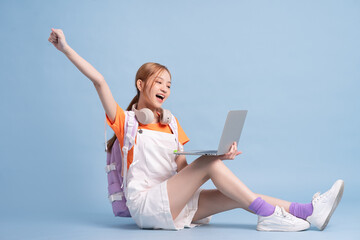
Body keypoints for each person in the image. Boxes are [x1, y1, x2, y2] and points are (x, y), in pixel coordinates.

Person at [48, 28, 344, 231]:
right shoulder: (126, 121)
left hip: (172, 199)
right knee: (210, 166)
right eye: (158, 81)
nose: (165, 87)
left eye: (168, 84)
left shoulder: (172, 123)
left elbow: (183, 172)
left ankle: (308, 212)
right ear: (141, 85)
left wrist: (219, 161)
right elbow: (100, 82)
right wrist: (66, 48)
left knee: (237, 195)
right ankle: (268, 217)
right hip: (147, 205)